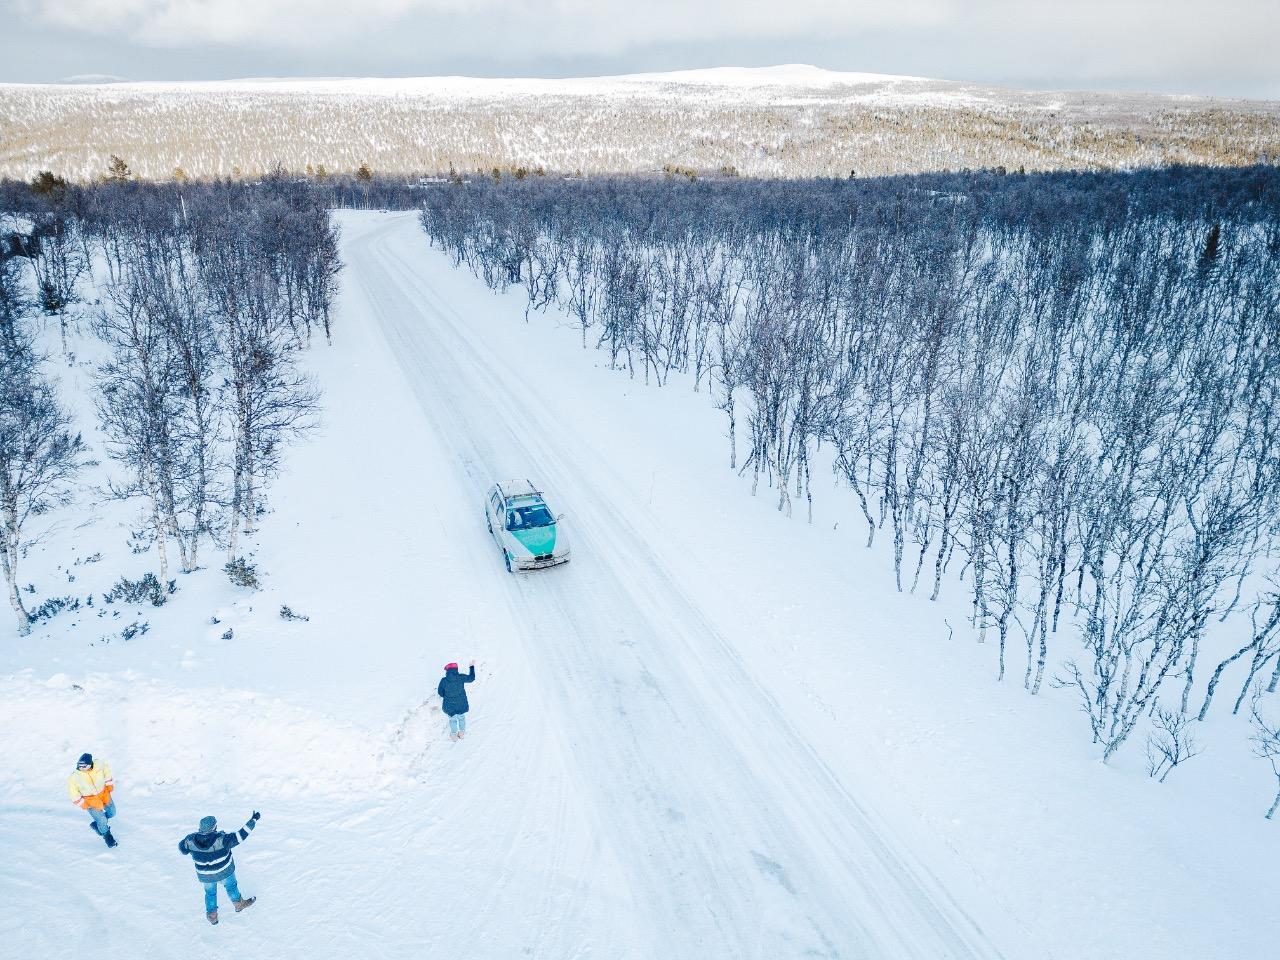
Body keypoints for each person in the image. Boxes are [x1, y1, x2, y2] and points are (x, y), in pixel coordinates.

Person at [178, 812, 260, 925]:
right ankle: (239, 904)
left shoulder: (190, 840)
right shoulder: (222, 839)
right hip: (225, 872)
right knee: (231, 887)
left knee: (210, 893)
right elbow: (241, 835)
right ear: (214, 827)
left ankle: (212, 916)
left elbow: (182, 849)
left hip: (205, 875)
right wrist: (253, 820)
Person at [67, 753, 117, 848]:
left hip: (104, 794)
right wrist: (84, 805)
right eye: (79, 765)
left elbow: (106, 771)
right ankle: (107, 836)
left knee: (112, 813)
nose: (81, 768)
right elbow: (73, 794)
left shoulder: (99, 764)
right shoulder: (74, 778)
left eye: (84, 766)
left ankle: (98, 824)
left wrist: (109, 784)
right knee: (102, 820)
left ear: (90, 764)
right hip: (90, 801)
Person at [438, 660, 476, 740]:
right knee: (461, 717)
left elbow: (440, 692)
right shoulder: (461, 677)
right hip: (461, 703)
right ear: (456, 669)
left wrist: (446, 696)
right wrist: (471, 667)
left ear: (447, 671)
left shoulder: (444, 680)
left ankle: (454, 735)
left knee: (452, 719)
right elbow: (472, 678)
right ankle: (461, 733)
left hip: (449, 705)